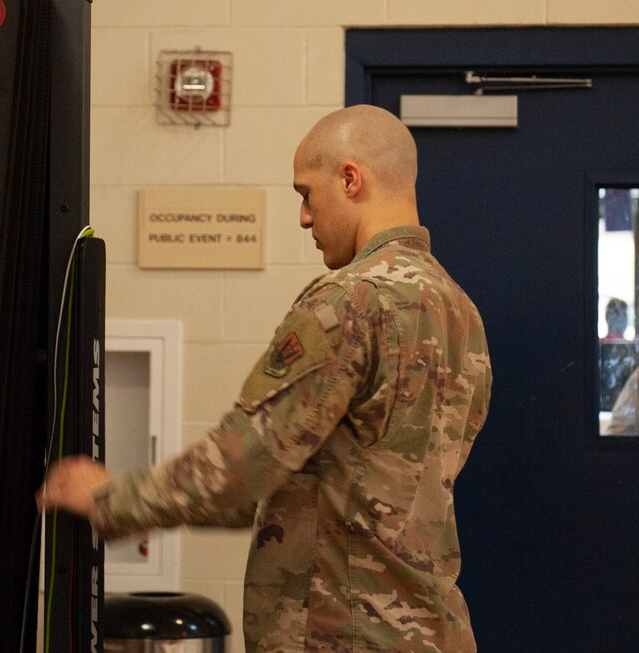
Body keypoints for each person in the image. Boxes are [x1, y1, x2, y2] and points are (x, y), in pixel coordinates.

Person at [38, 105, 492, 652]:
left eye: (306, 194)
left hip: (341, 634)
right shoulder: (459, 310)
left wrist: (112, 500)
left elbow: (246, 463)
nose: (303, 217)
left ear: (350, 179)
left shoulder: (350, 300)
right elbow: (307, 478)